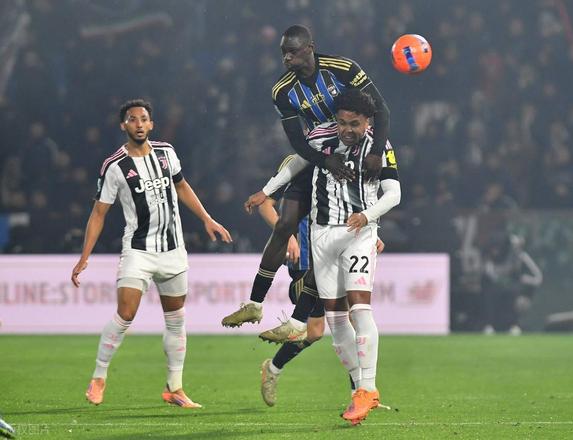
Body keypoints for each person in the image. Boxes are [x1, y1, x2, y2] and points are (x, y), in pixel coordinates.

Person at [221, 24, 390, 334]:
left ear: (310, 48)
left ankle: (300, 321)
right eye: (283, 53)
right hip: (317, 154)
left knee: (334, 235)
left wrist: (376, 153)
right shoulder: (282, 91)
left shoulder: (343, 69)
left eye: (293, 52)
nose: (287, 58)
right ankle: (255, 303)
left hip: (353, 156)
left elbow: (381, 110)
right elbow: (298, 143)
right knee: (285, 223)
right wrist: (324, 161)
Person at [246, 90, 400, 425]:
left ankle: (366, 389)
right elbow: (296, 165)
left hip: (358, 233)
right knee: (333, 322)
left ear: (368, 121)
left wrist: (367, 217)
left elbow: (392, 194)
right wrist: (267, 192)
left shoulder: (379, 148)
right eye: (342, 122)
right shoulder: (318, 139)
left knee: (358, 309)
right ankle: (358, 390)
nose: (347, 129)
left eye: (354, 124)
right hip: (321, 236)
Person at [70, 99, 232, 408]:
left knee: (176, 319)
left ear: (151, 124)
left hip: (173, 250)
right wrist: (84, 257)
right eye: (133, 120)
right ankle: (99, 376)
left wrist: (206, 218)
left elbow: (182, 187)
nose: (139, 124)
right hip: (138, 251)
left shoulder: (166, 152)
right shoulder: (114, 165)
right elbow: (99, 213)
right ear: (124, 125)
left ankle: (174, 387)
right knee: (126, 313)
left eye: (144, 119)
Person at [255, 155, 385, 406]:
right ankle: (361, 392)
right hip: (305, 263)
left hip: (336, 252)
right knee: (326, 326)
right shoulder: (297, 162)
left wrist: (369, 234)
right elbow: (266, 205)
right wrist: (287, 234)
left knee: (320, 330)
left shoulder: (342, 160)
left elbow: (348, 204)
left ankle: (359, 393)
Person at [481, 232, 542, 335]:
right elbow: (493, 275)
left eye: (517, 245)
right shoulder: (494, 259)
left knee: (513, 293)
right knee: (492, 292)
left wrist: (524, 279)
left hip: (522, 295)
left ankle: (514, 325)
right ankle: (490, 325)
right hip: (500, 292)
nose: (515, 248)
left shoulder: (522, 257)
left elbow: (538, 278)